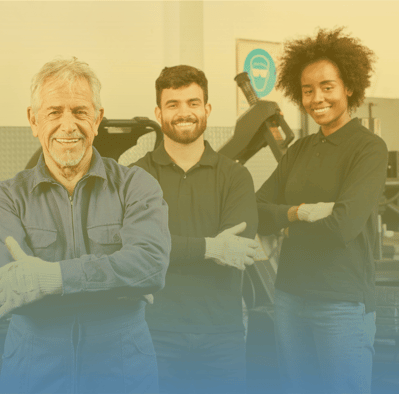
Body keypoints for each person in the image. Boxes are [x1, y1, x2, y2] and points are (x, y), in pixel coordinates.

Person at [0, 57, 171, 394]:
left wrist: (51, 278)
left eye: (80, 112)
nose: (68, 125)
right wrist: (122, 283)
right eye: (54, 112)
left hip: (122, 371)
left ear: (97, 119)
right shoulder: (4, 198)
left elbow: (151, 267)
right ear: (33, 119)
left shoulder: (136, 185)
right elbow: (12, 293)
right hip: (34, 373)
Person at [255, 27, 387, 394]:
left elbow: (342, 227)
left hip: (341, 302)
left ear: (348, 87)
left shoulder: (369, 149)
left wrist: (280, 225)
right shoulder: (296, 151)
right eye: (308, 90)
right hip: (290, 295)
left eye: (327, 86)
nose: (317, 98)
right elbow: (256, 209)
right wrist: (298, 213)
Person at [133, 65, 262, 394]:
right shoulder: (136, 177)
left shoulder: (234, 177)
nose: (184, 112)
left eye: (193, 102)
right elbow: (138, 249)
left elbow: (239, 251)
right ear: (158, 112)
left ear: (206, 109)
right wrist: (211, 248)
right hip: (152, 332)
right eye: (173, 104)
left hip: (222, 336)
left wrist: (167, 248)